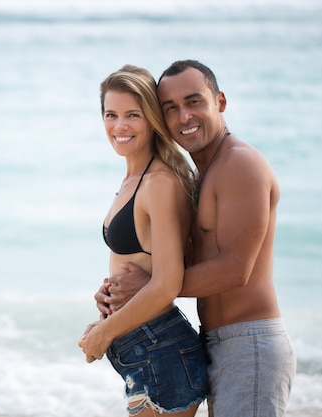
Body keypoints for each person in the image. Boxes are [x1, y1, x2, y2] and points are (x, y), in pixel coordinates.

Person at [93, 60, 296, 417]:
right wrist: (121, 289)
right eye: (171, 108)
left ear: (220, 101)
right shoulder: (203, 174)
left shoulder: (240, 164)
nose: (183, 116)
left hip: (249, 343)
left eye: (194, 101)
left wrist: (154, 285)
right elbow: (178, 259)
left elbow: (236, 269)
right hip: (215, 340)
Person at [78, 65, 208, 416]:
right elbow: (140, 265)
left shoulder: (160, 184)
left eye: (132, 115)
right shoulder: (133, 179)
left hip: (161, 349)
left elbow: (166, 284)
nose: (119, 126)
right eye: (111, 114)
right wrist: (107, 311)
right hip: (145, 349)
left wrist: (103, 336)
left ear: (151, 119)